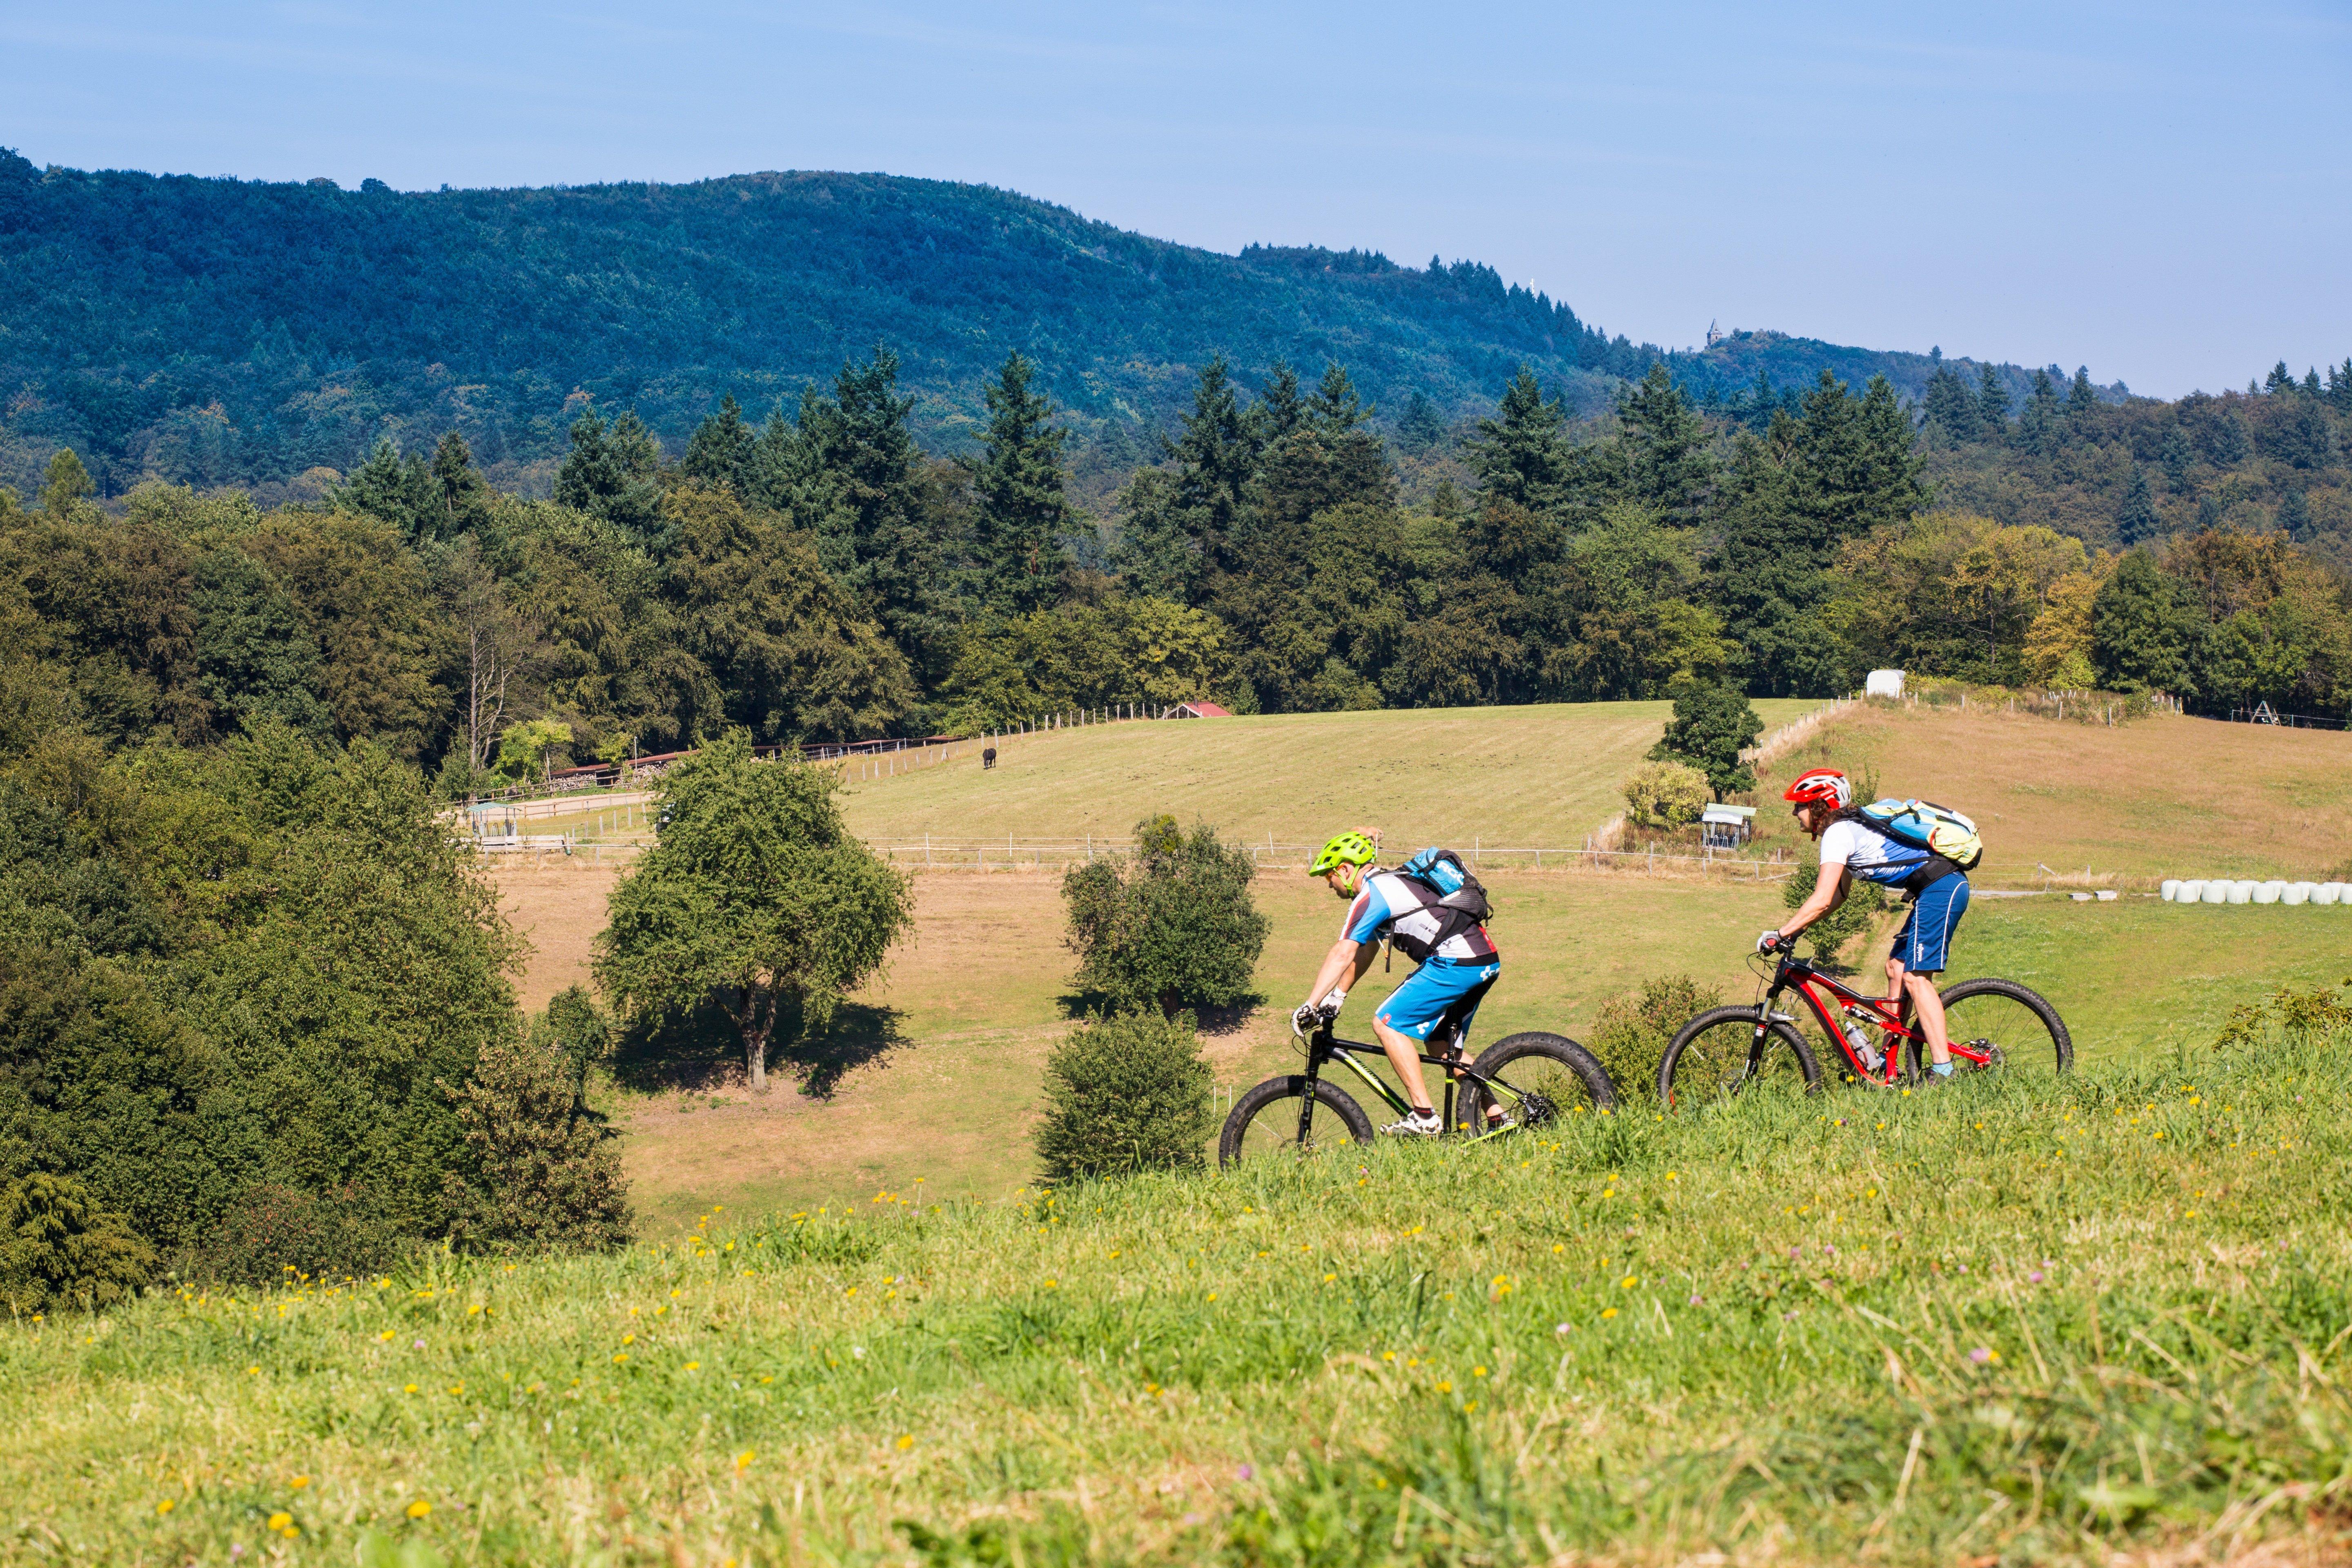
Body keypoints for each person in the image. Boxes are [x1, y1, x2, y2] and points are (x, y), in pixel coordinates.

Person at [1764, 767, 1972, 1080]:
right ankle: (1890, 1068)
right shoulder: (1846, 829)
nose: (1795, 812)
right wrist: (1797, 931)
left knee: (1915, 978)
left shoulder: (1838, 834)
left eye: (1800, 805)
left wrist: (1780, 934)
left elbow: (1821, 899)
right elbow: (1837, 897)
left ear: (1819, 805)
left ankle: (1943, 1071)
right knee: (1896, 970)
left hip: (1941, 888)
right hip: (1934, 889)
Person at [1296, 829, 1501, 1134]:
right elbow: (1364, 952)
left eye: (1330, 878)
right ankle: (1499, 1118)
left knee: (1386, 1023)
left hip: (1456, 960)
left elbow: (1343, 952)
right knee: (1440, 1046)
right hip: (1482, 959)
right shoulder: (1393, 883)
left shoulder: (1373, 893)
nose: (1331, 886)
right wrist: (1337, 996)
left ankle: (1424, 1117)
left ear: (1345, 869)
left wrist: (1310, 1005)